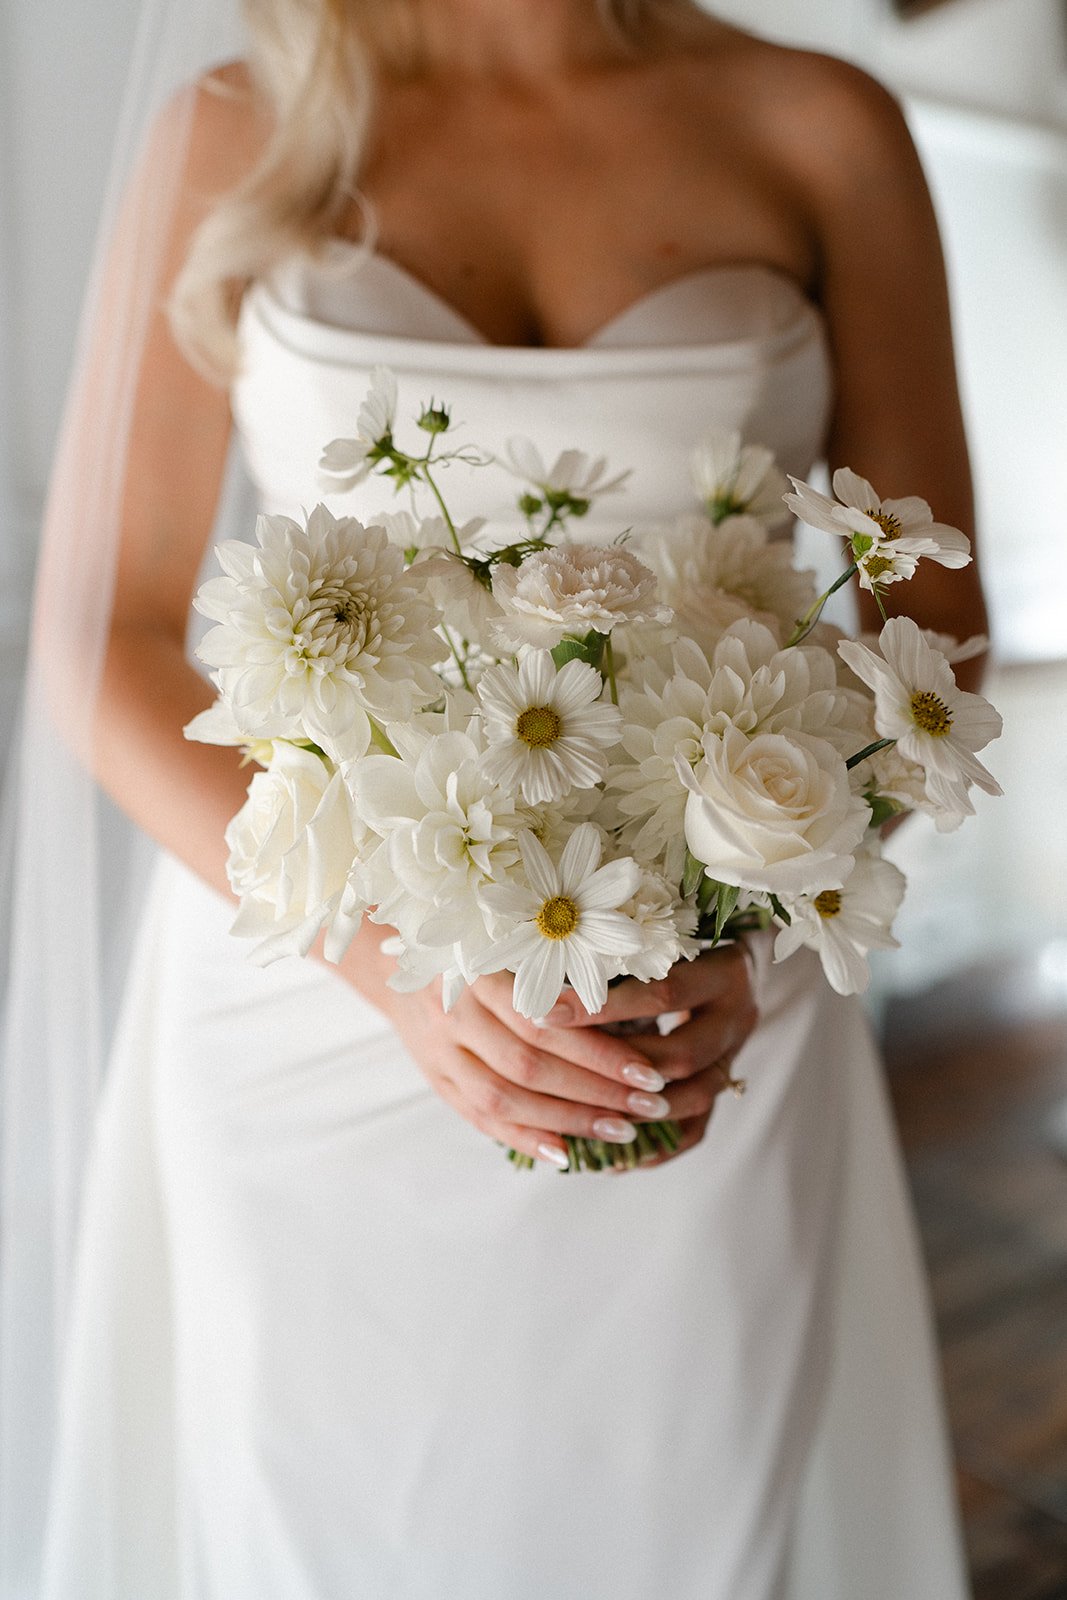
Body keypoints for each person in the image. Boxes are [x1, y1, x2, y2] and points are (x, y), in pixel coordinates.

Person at [2, 0, 989, 1594]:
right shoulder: (235, 134)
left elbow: (933, 630)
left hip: (698, 1015)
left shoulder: (822, 128)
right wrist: (390, 962)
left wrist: (756, 924)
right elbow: (98, 641)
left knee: (680, 1524)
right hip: (313, 1021)